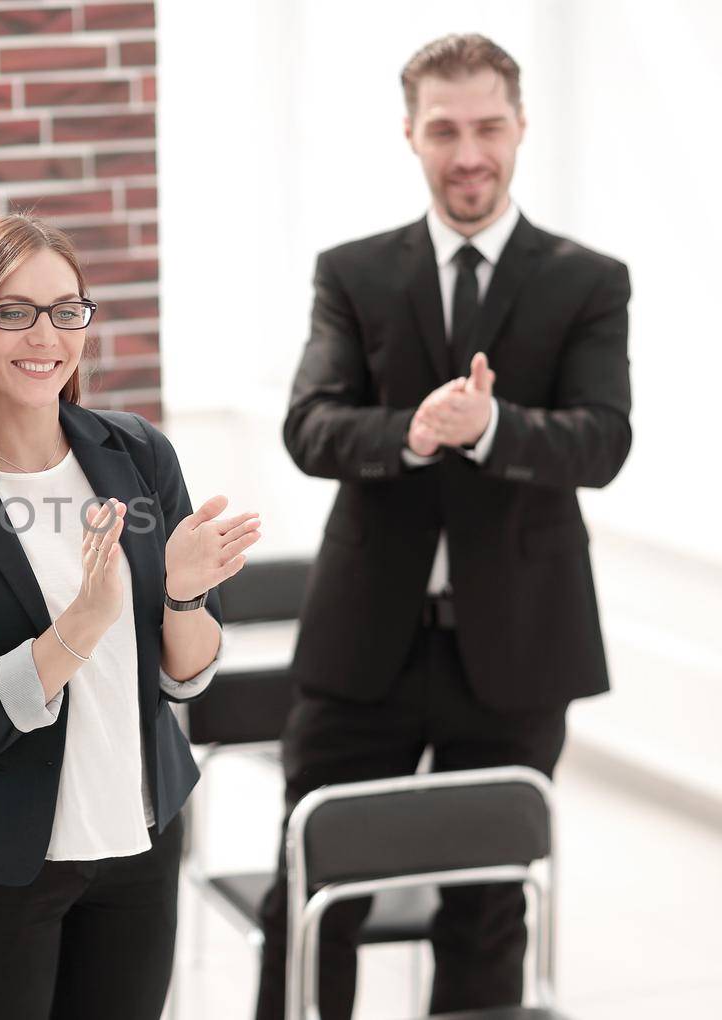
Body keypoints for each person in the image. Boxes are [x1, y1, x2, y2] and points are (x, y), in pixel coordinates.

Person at [254, 34, 632, 1020]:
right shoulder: (354, 273)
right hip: (361, 645)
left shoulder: (587, 281)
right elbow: (310, 424)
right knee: (307, 891)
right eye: (444, 130)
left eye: (487, 128)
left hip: (514, 650)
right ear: (410, 136)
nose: (468, 153)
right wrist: (415, 434)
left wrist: (495, 426)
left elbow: (601, 442)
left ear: (519, 129)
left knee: (485, 909)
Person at [0, 214, 261, 1019]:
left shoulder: (140, 454)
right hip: (2, 863)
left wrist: (185, 596)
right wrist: (78, 629)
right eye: (13, 311)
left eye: (66, 309)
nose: (44, 335)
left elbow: (185, 682)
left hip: (139, 842)